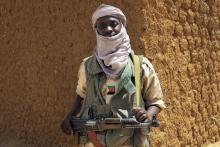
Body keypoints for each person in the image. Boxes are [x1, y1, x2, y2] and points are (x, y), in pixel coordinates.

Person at [61, 4, 165, 147]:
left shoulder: (140, 66)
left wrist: (148, 114)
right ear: (96, 30)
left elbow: (156, 101)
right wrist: (69, 116)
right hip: (93, 141)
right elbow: (81, 94)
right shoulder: (87, 66)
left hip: (130, 141)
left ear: (122, 26)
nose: (108, 29)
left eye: (113, 24)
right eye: (102, 25)